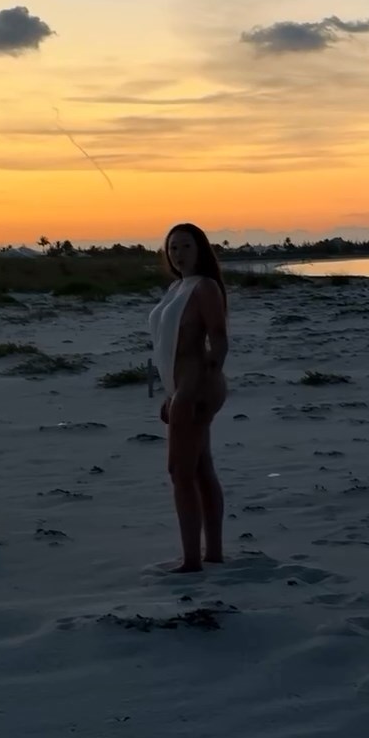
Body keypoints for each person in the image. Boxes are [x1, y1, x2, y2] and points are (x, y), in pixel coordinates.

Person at [149, 222, 228, 573]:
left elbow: (219, 338)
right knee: (199, 468)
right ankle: (212, 554)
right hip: (179, 386)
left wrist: (204, 386)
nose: (178, 254)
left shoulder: (205, 287)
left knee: (180, 471)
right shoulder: (176, 288)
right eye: (173, 248)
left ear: (200, 250)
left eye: (186, 246)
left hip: (196, 384)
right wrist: (169, 393)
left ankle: (192, 560)